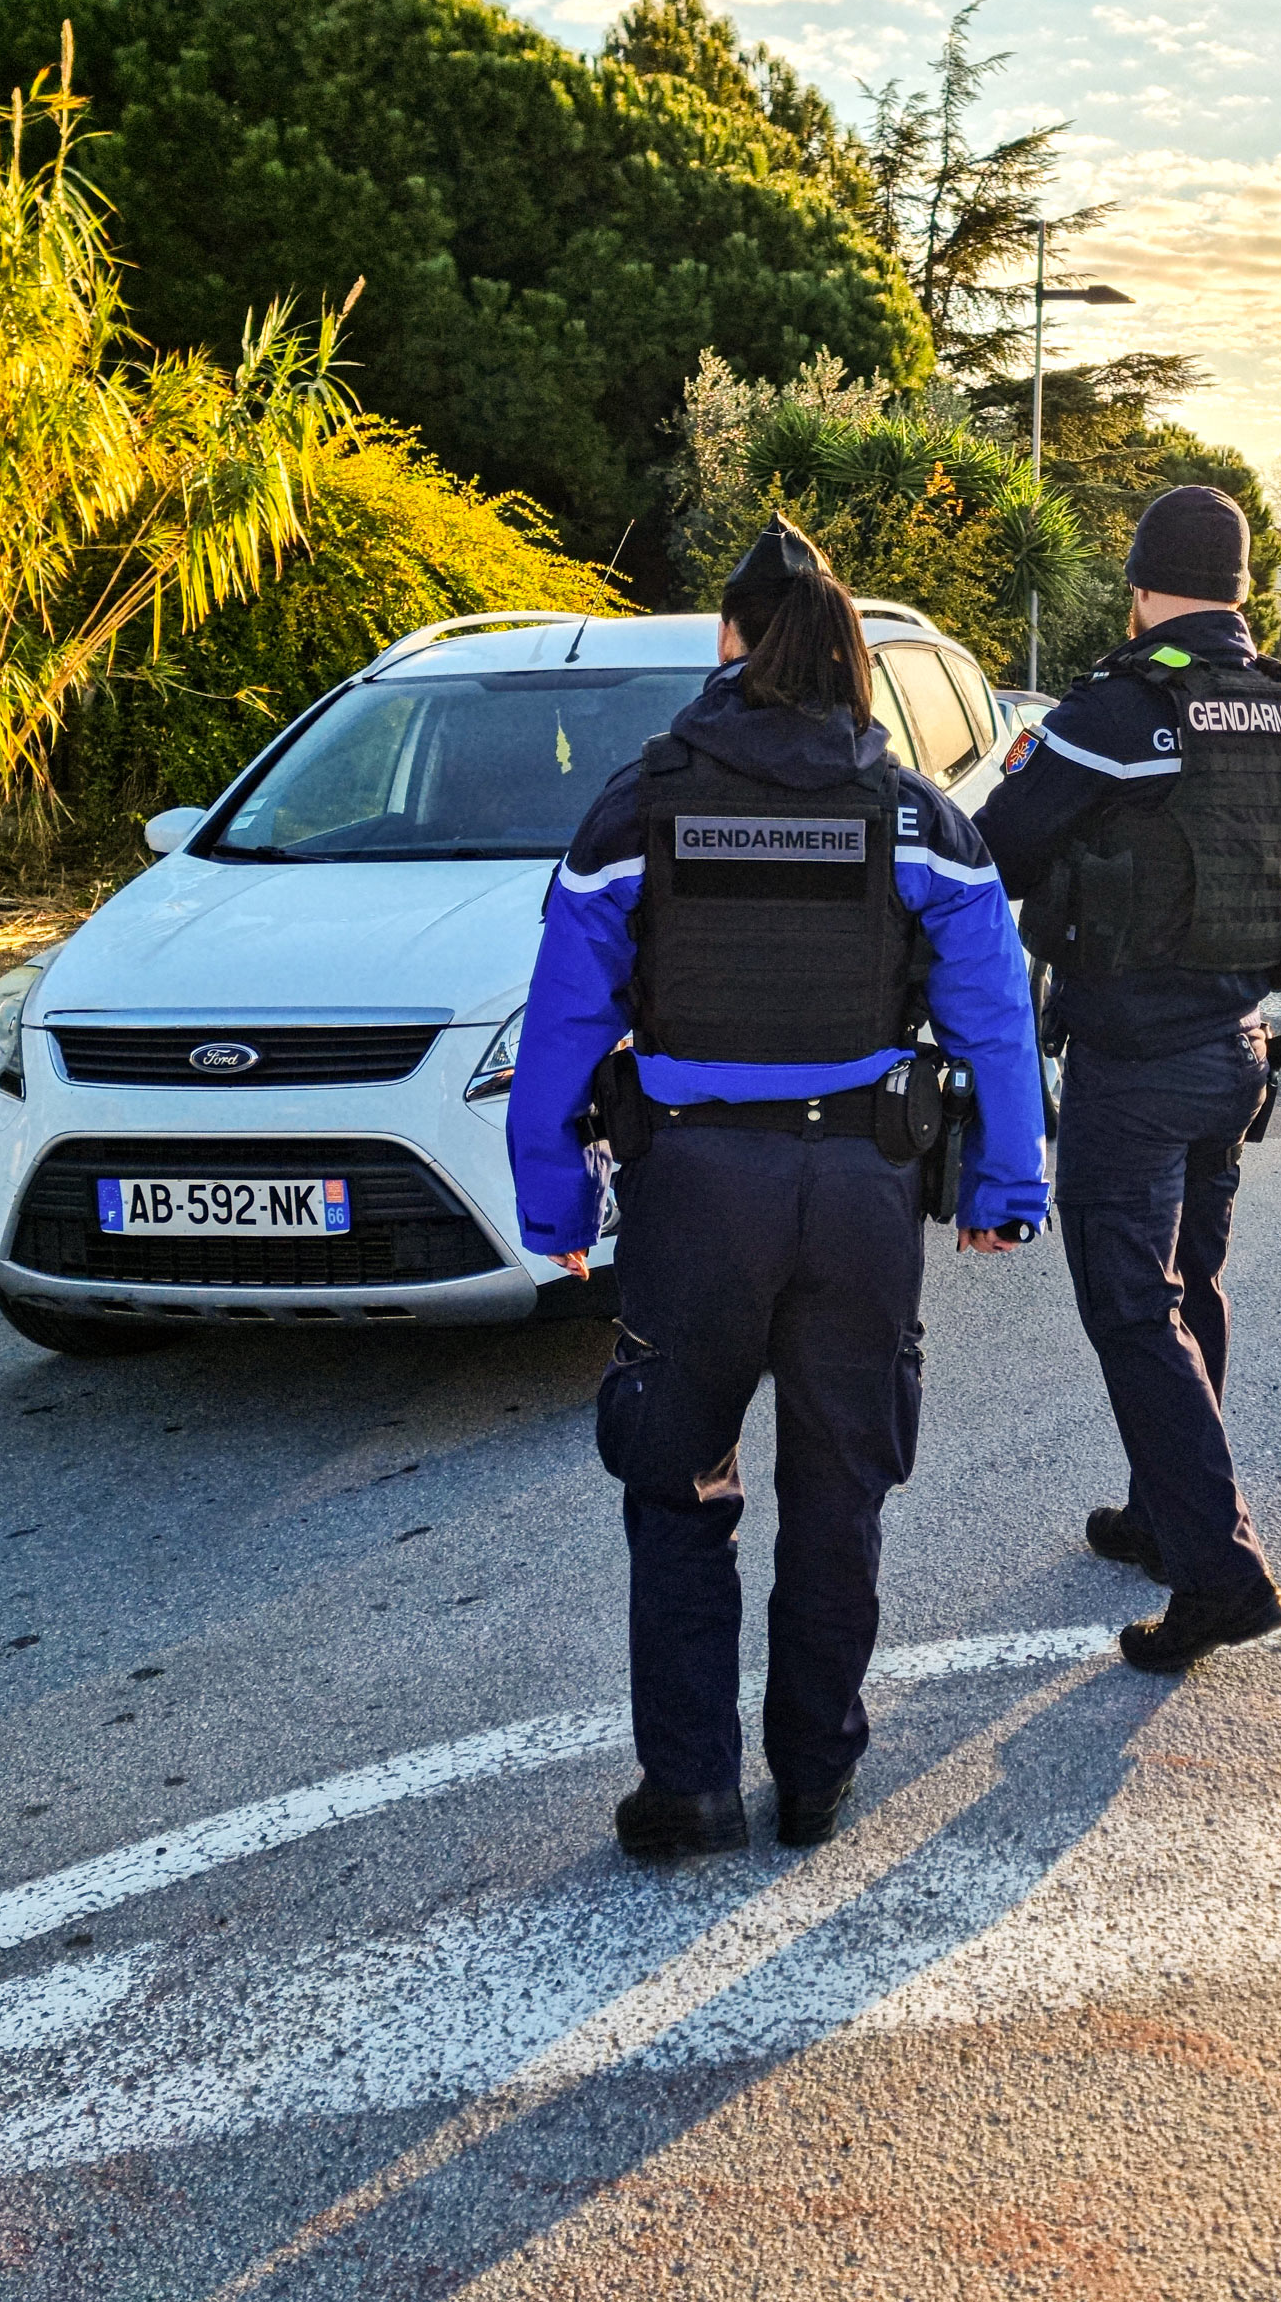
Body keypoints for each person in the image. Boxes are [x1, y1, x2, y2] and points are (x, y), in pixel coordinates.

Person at [506, 519, 1048, 1861]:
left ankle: (689, 1789)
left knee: (680, 1484)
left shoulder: (638, 808)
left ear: (728, 644)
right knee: (839, 1490)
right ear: (850, 654)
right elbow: (996, 1021)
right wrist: (1006, 1187)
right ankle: (815, 1780)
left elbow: (561, 1031)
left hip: (696, 1199)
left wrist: (554, 1214)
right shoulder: (918, 816)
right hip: (863, 1196)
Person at [976, 485, 1281, 1673]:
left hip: (1137, 1060)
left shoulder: (1119, 709)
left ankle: (1218, 1571)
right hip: (1237, 1052)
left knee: (1132, 1306)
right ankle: (1160, 1513)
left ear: (1137, 584)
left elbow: (997, 846)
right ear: (1238, 588)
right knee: (1193, 1286)